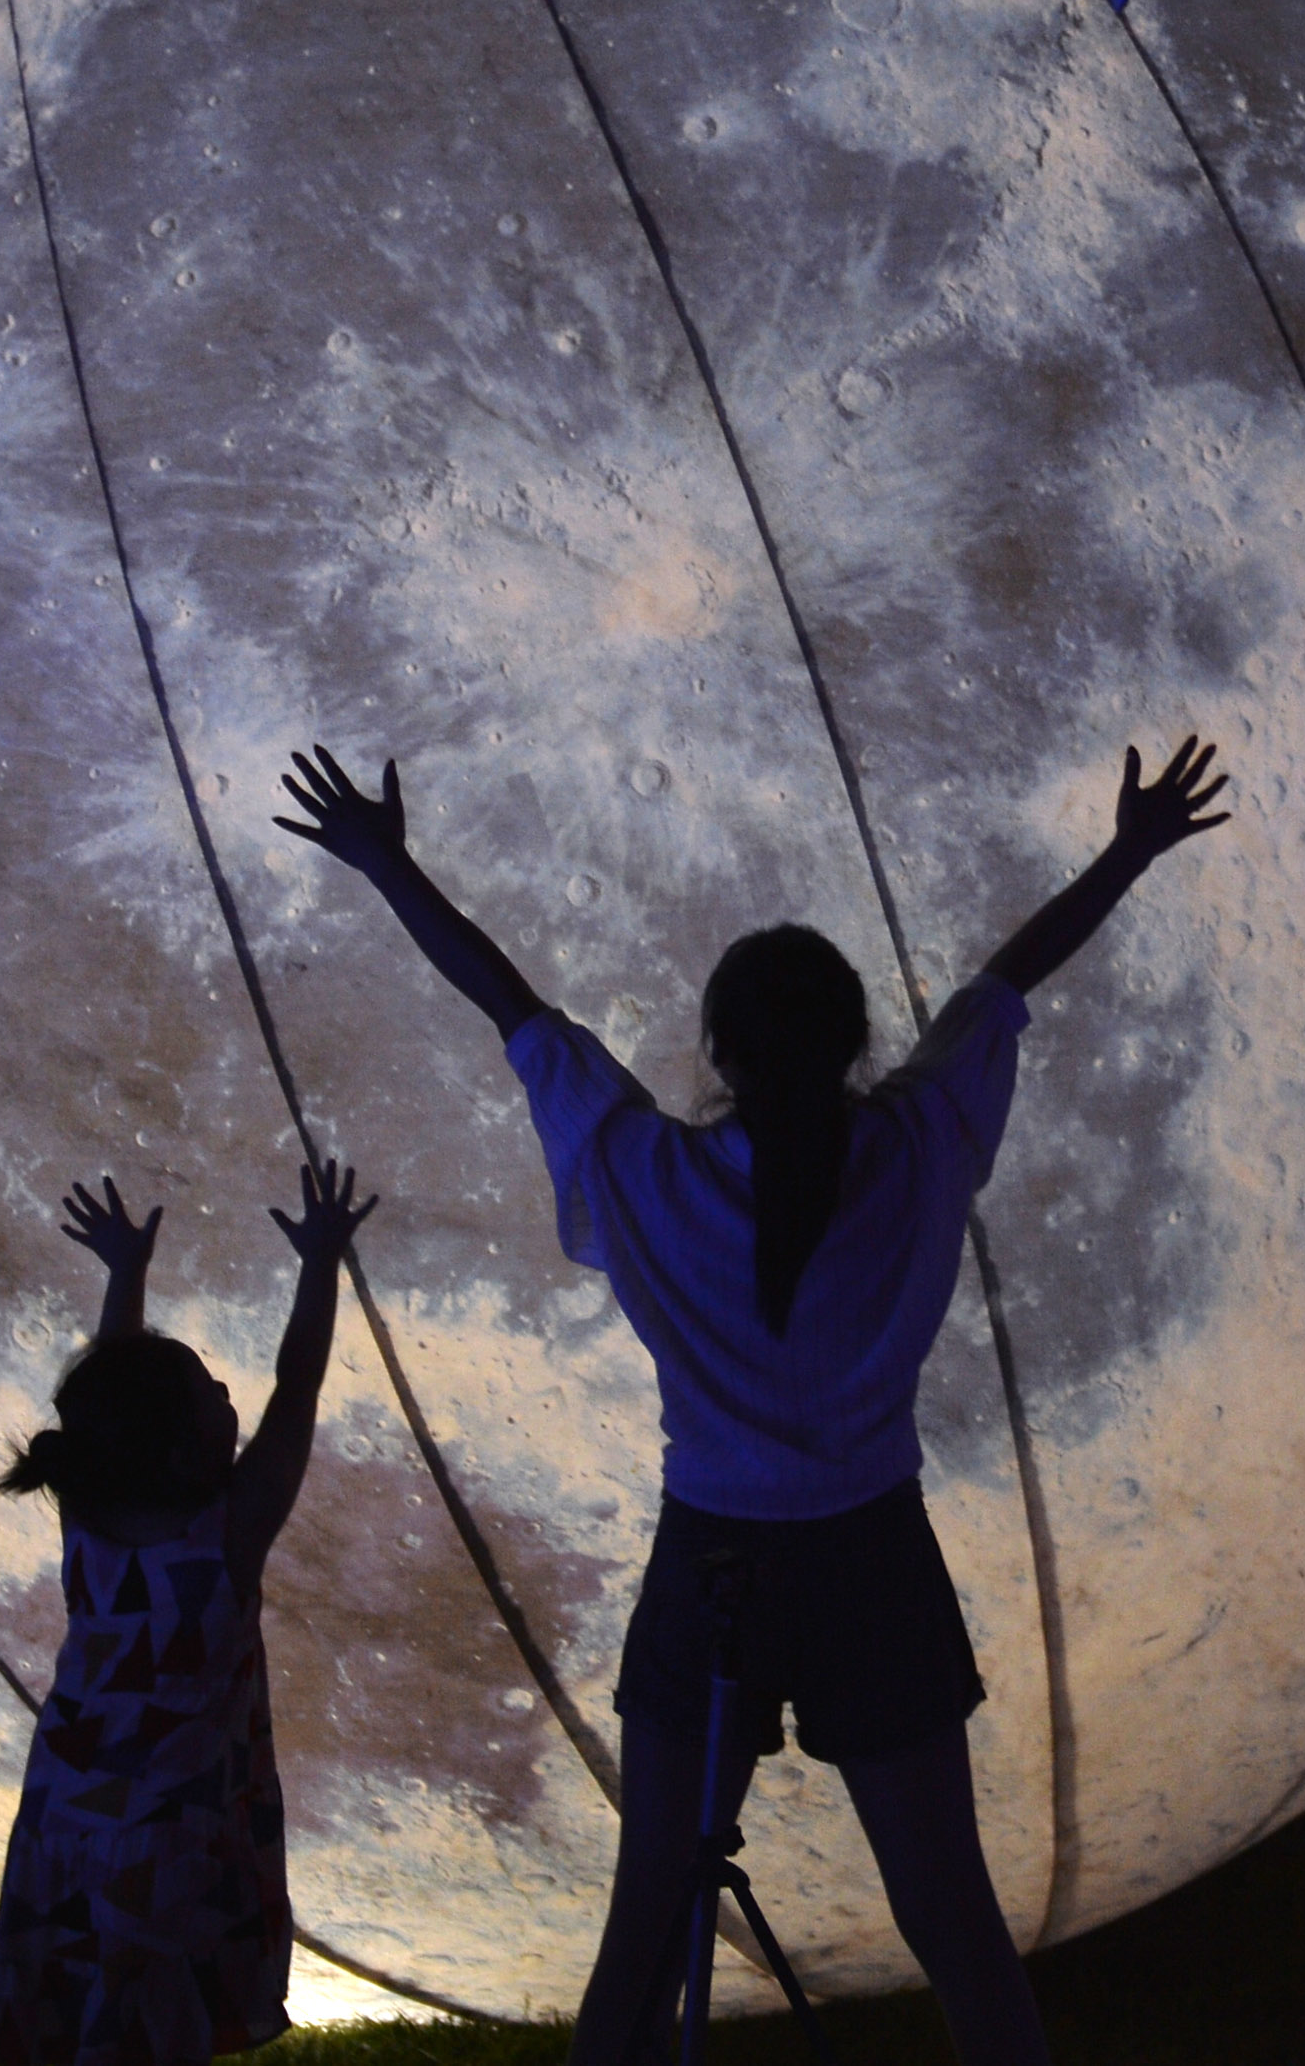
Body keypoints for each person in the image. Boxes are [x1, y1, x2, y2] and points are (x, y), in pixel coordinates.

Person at [276, 733, 1233, 2066]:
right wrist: (1128, 848)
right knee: (952, 1916)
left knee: (647, 1924)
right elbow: (1003, 983)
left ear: (717, 1049)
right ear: (854, 1042)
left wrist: (387, 862)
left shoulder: (637, 1169)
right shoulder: (923, 1141)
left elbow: (514, 1007)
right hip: (872, 1557)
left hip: (709, 1560)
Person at [0, 1155, 377, 2064]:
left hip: (69, 1804)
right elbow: (297, 1387)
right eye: (212, 1393)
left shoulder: (90, 1508)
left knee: (75, 1994)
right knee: (149, 2013)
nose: (230, 1397)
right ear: (186, 1447)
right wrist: (319, 1263)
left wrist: (125, 1273)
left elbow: (112, 1398)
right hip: (169, 1825)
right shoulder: (227, 1535)